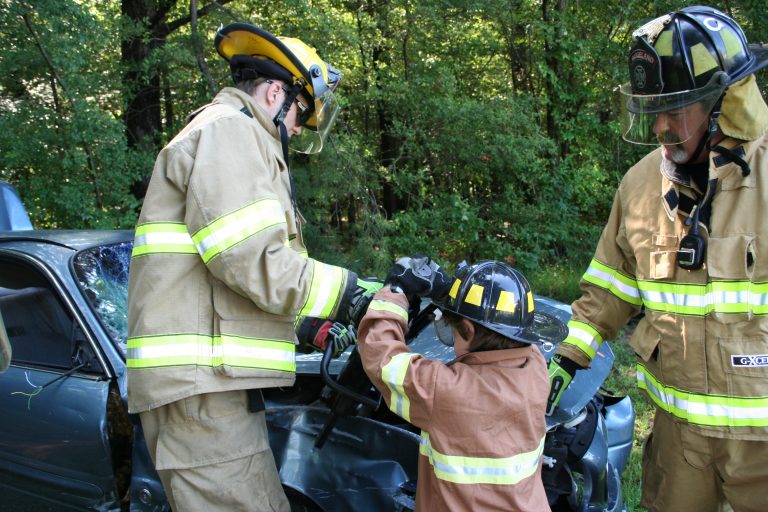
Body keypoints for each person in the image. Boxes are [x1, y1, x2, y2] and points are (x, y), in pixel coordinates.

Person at [126, 22, 380, 511]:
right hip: (202, 390)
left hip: (208, 388)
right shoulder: (230, 131)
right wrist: (349, 294)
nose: (299, 129)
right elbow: (249, 257)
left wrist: (304, 325)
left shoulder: (228, 133)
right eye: (302, 113)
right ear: (274, 93)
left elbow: (219, 274)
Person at [546, 6, 768, 511]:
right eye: (652, 111)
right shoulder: (641, 185)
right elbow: (610, 289)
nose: (660, 127)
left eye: (675, 109)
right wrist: (566, 359)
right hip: (679, 443)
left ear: (724, 102)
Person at [356, 256, 567, 510]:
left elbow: (383, 359)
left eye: (454, 331)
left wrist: (393, 293)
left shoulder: (446, 391)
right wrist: (453, 292)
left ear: (468, 328)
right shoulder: (536, 368)